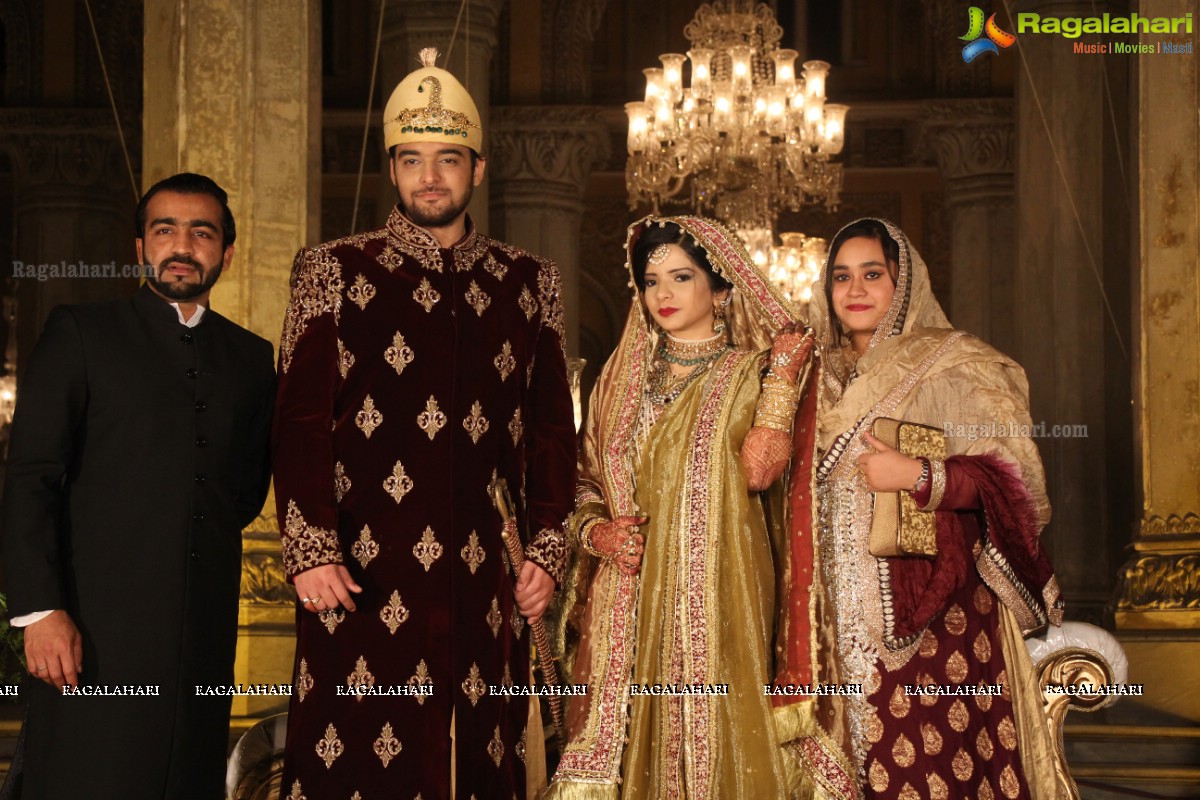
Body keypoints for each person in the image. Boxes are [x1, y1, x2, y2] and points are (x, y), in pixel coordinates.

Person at [273, 48, 576, 799]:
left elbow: (549, 434)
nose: (429, 177)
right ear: (394, 169)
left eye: (447, 160)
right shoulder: (334, 271)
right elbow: (300, 423)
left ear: (477, 168)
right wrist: (311, 548)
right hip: (360, 567)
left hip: (483, 571)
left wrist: (546, 548)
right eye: (412, 160)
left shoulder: (527, 282)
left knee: (480, 755)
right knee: (358, 758)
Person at [0, 172, 276, 798]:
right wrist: (41, 612)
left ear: (225, 253)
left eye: (201, 232)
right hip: (89, 630)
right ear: (140, 247)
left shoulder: (252, 359)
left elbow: (242, 490)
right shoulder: (81, 334)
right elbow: (31, 476)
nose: (182, 245)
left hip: (200, 634)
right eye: (165, 230)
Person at [772, 217, 1063, 799]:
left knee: (929, 767)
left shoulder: (957, 362)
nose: (855, 291)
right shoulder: (806, 377)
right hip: (825, 620)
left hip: (936, 614)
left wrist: (923, 476)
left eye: (872, 274)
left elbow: (1021, 481)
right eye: (841, 278)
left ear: (903, 281)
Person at [546, 215, 811, 799]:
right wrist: (599, 535)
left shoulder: (755, 371)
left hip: (718, 593)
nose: (661, 294)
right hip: (629, 597)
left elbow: (762, 470)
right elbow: (583, 482)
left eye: (681, 277)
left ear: (721, 289)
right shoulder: (616, 381)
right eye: (650, 280)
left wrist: (784, 376)